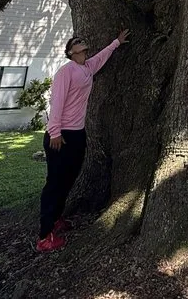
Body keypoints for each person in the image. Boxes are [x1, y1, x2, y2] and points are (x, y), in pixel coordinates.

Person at [36, 29, 129, 252]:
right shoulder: (65, 72)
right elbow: (56, 102)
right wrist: (55, 131)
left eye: (83, 45)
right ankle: (44, 236)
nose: (82, 47)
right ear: (70, 52)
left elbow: (100, 57)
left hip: (77, 133)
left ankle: (56, 219)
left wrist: (116, 42)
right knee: (55, 183)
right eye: (76, 45)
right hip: (61, 135)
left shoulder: (87, 68)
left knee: (68, 179)